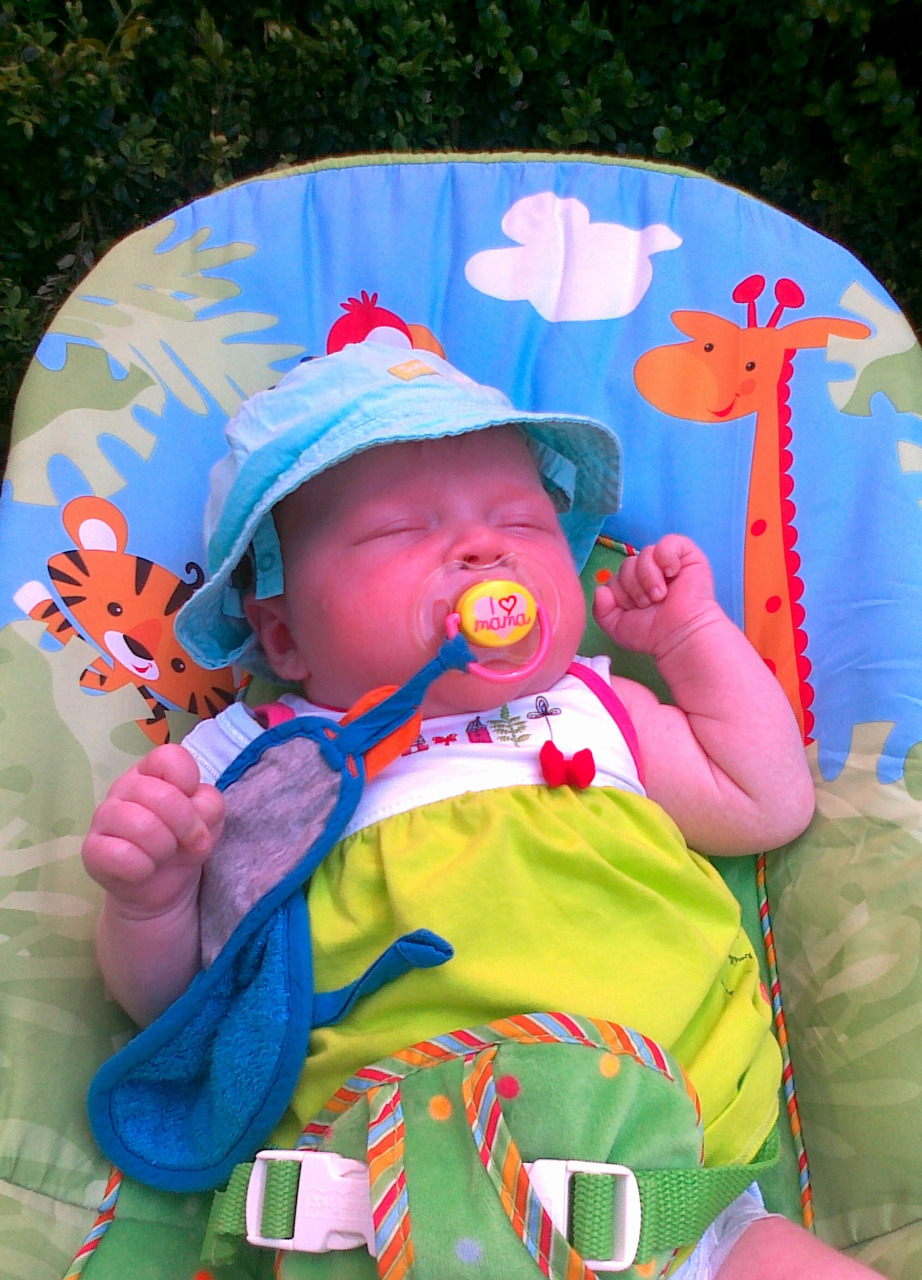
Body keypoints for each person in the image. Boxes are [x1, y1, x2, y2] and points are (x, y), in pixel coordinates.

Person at [81, 343, 880, 1279]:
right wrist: (152, 899)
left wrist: (692, 635)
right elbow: (179, 1003)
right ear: (285, 635)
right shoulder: (254, 765)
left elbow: (766, 801)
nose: (485, 549)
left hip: (667, 1194)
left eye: (522, 521)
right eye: (399, 529)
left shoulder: (595, 708)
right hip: (386, 1203)